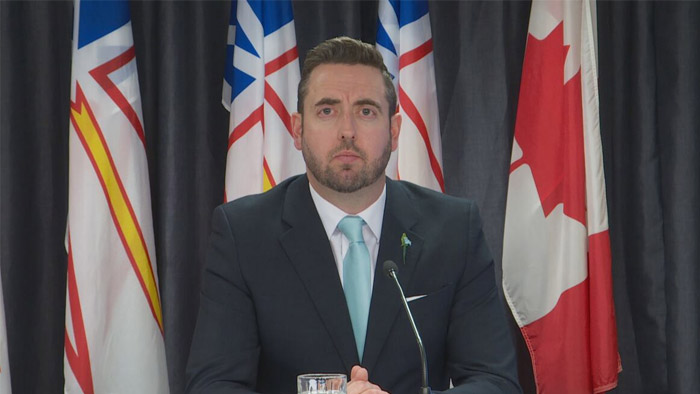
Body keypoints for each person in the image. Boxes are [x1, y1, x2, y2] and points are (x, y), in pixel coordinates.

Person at [186, 36, 521, 394]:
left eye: (366, 111)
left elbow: (495, 382)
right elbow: (213, 384)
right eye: (327, 110)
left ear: (393, 131)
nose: (347, 131)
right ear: (297, 130)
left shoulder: (455, 230)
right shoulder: (243, 235)